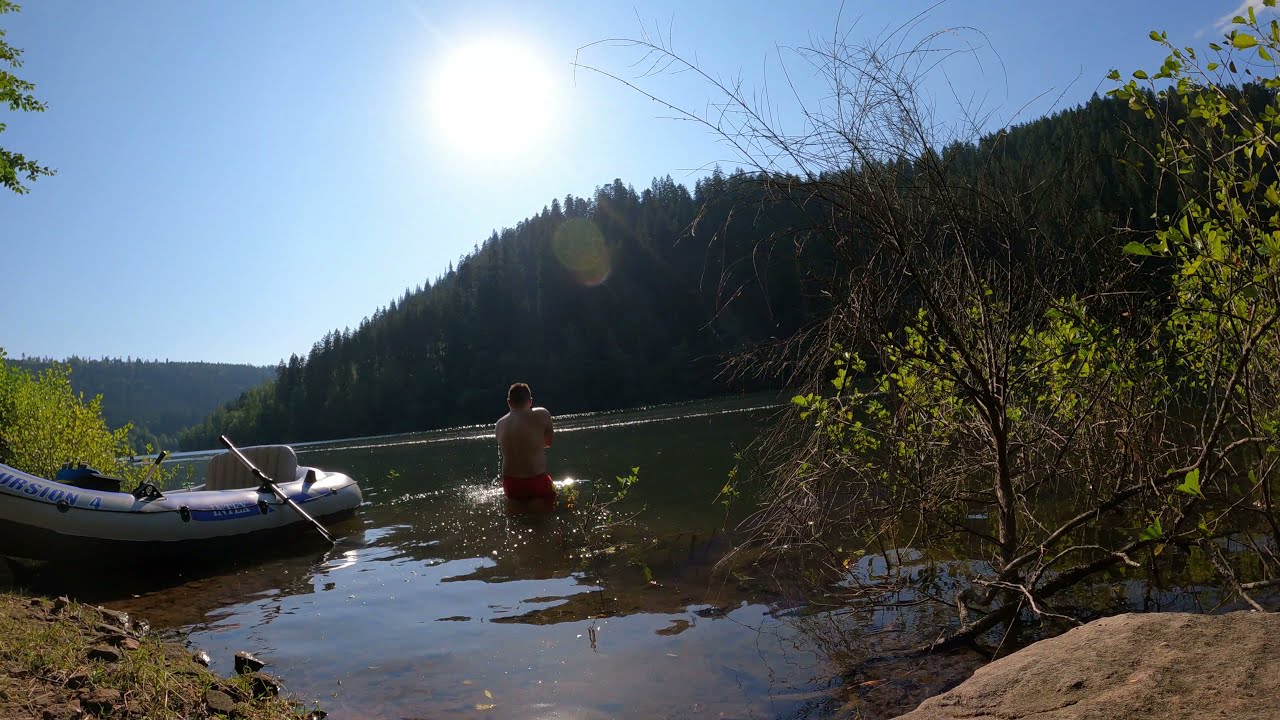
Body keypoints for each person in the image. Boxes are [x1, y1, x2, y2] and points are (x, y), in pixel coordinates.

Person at [496, 382, 555, 505]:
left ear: (509, 402)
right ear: (530, 401)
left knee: (514, 519)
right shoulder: (542, 414)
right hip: (536, 480)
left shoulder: (499, 424)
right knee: (547, 519)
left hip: (511, 484)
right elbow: (548, 443)